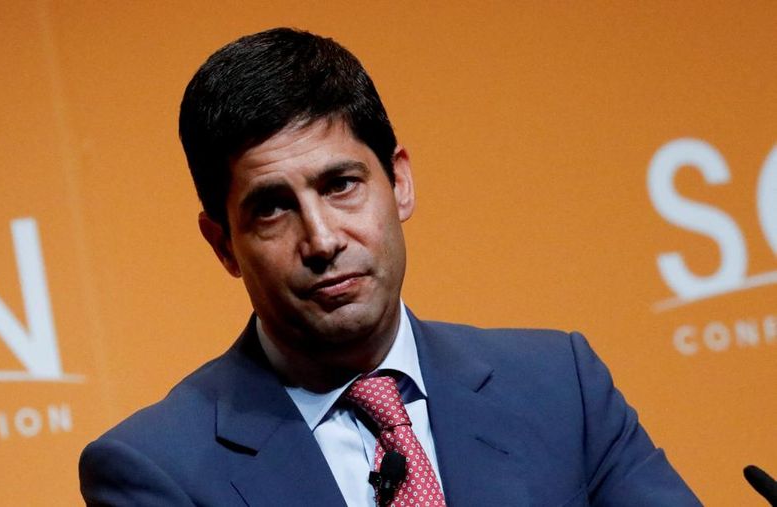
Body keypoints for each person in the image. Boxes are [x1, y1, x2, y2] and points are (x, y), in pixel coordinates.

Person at [78, 27, 700, 506]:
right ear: (221, 244)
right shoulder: (157, 470)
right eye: (271, 209)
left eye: (341, 185)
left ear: (399, 181)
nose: (321, 239)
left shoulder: (561, 388)